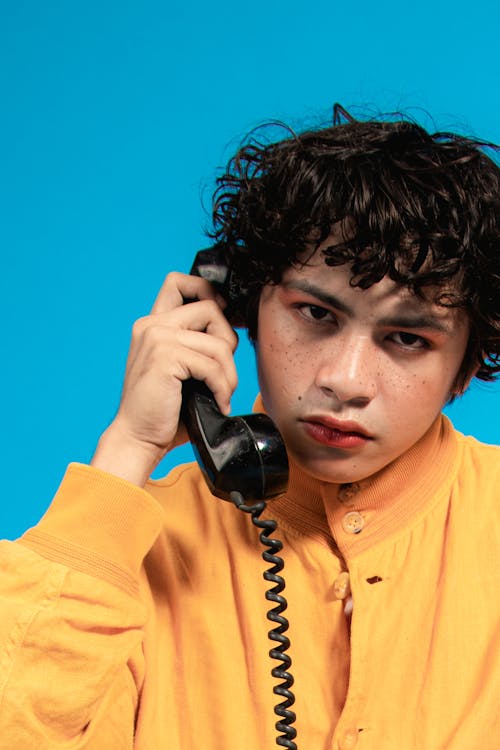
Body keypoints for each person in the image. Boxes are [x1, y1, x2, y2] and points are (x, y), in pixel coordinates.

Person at [0, 107, 499, 750]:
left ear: (465, 366)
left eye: (407, 338)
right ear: (241, 312)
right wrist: (127, 449)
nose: (346, 381)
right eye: (315, 313)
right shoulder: (129, 554)